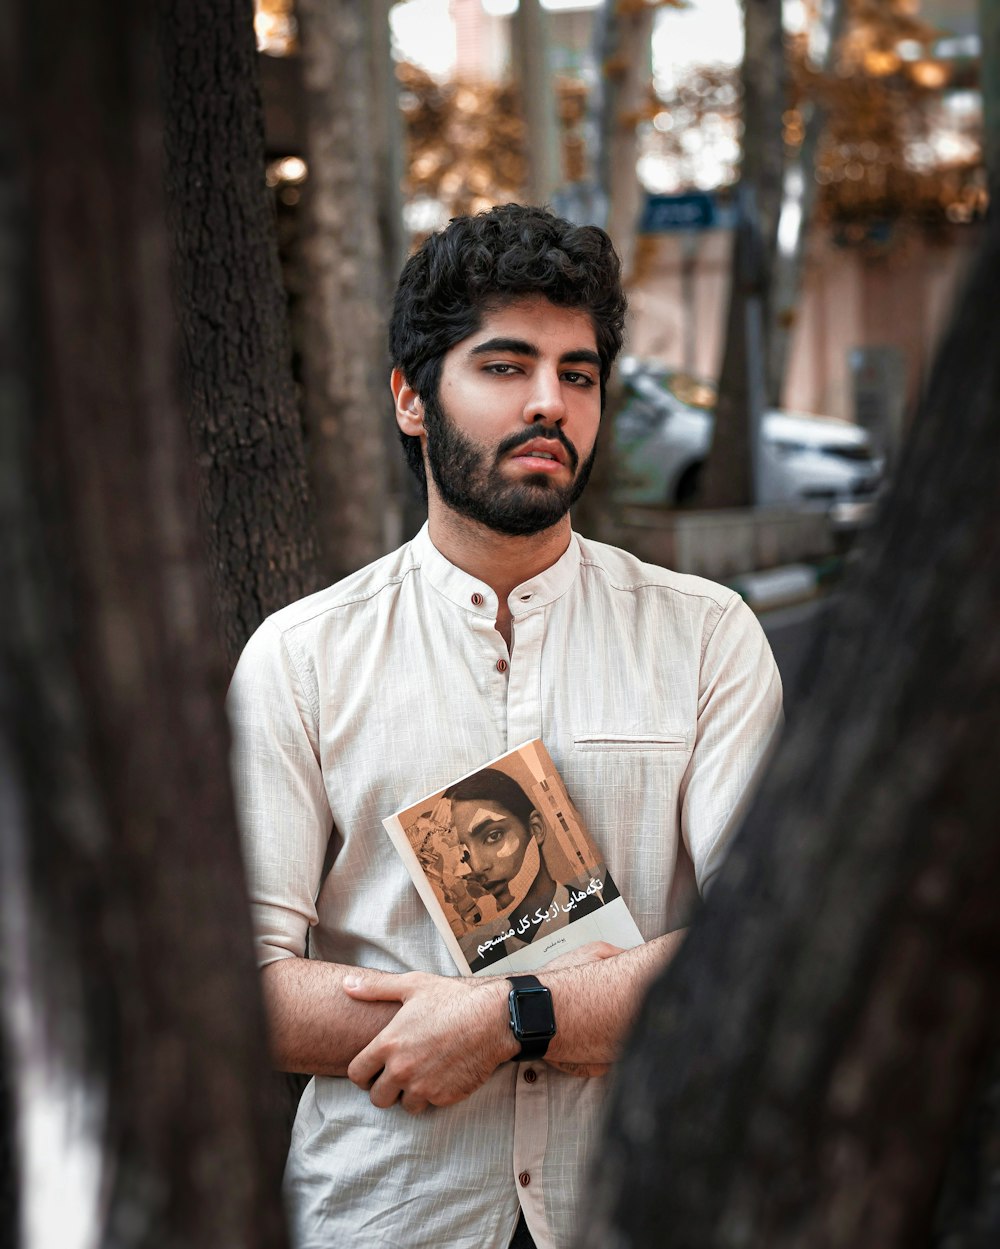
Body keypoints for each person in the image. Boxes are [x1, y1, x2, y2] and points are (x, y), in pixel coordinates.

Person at [227, 203, 783, 1249]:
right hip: (390, 1214)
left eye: (578, 374)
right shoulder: (302, 657)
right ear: (410, 397)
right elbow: (246, 984)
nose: (549, 403)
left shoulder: (705, 636)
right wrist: (545, 1010)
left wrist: (505, 1017)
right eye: (504, 366)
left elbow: (759, 942)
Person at [444, 767, 620, 972]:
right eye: (464, 855)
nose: (478, 867)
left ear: (535, 829)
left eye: (493, 836)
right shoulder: (481, 966)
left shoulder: (606, 914)